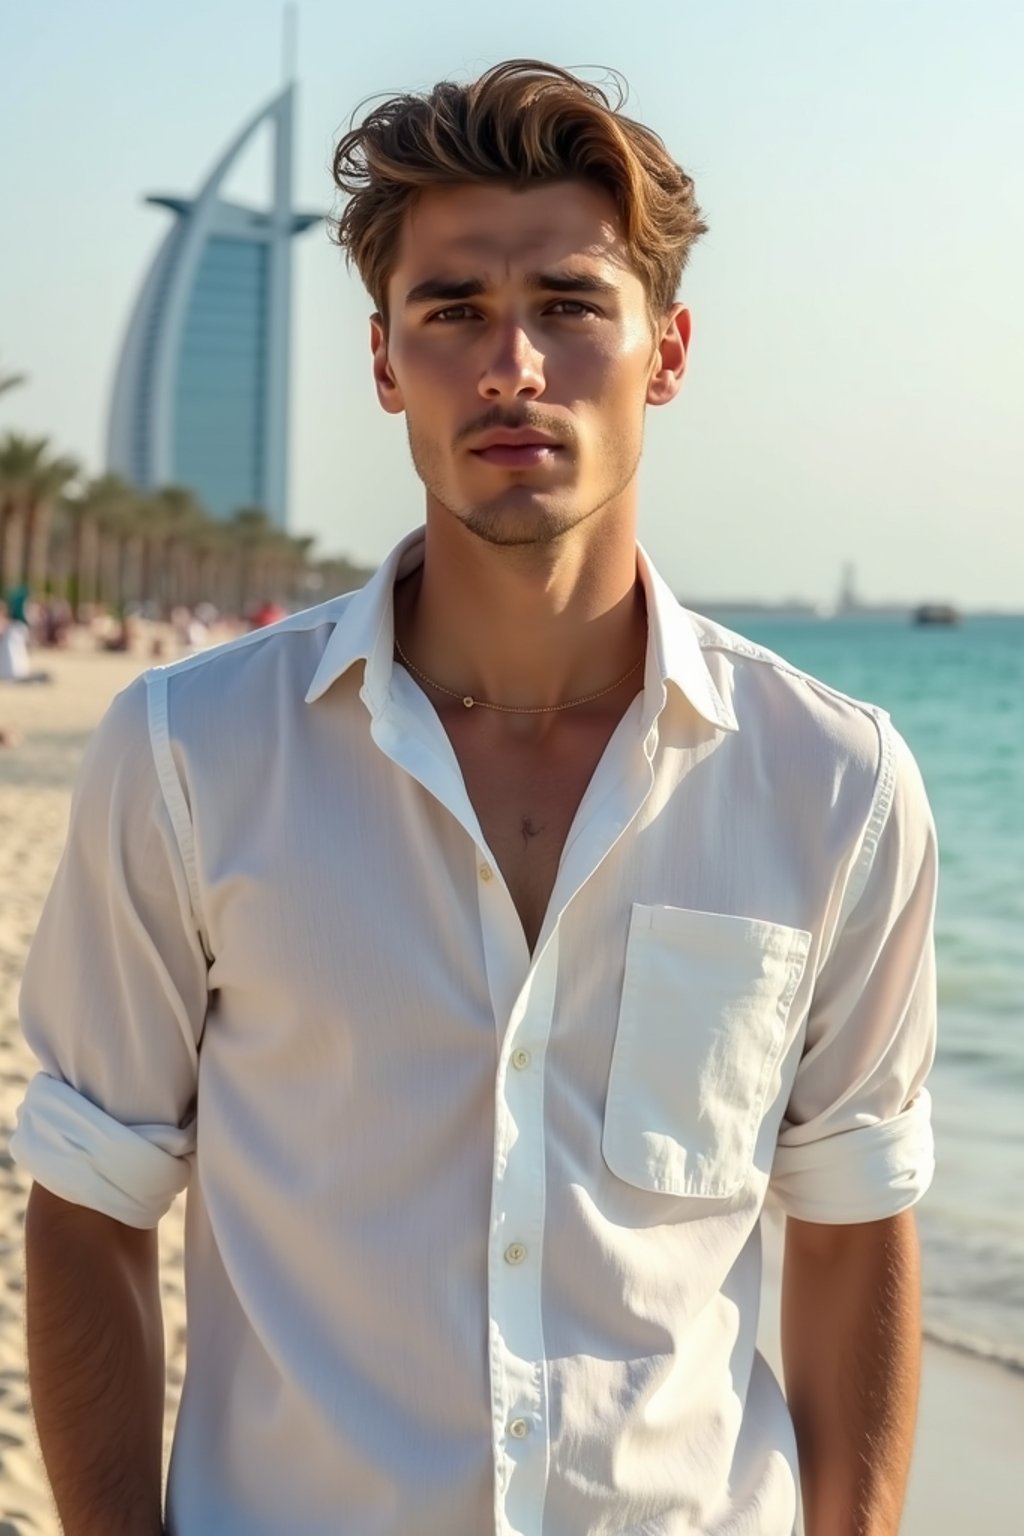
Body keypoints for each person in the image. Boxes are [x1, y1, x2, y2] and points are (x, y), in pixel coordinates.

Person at [11, 59, 937, 1536]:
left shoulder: (835, 785)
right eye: (453, 313)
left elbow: (849, 1230)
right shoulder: (190, 755)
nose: (513, 365)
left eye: (571, 305)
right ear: (386, 363)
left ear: (668, 352)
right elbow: (91, 1207)